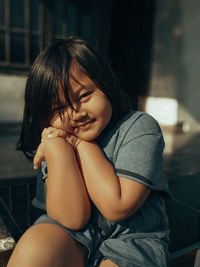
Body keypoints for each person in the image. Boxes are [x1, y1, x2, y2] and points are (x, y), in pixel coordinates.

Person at [7, 36, 170, 267]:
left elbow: (118, 206)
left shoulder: (139, 127)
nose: (76, 113)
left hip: (133, 239)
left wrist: (82, 145)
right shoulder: (57, 137)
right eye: (59, 108)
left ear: (106, 84)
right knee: (34, 248)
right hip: (75, 234)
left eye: (84, 96)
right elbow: (71, 218)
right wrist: (56, 147)